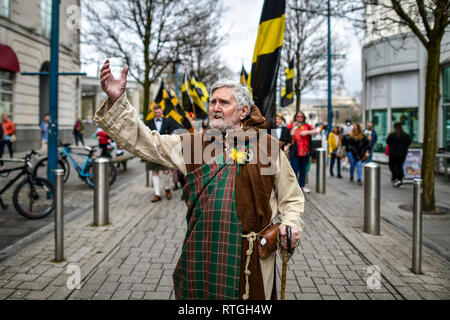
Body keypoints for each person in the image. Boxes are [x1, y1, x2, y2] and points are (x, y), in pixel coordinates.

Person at [94, 60, 304, 300]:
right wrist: (117, 103)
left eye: (224, 102)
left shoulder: (267, 148)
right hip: (202, 253)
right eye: (212, 102)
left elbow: (292, 199)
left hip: (250, 259)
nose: (215, 107)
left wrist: (291, 225)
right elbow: (150, 143)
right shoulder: (195, 144)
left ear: (243, 111)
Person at [145, 104, 183, 202]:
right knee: (154, 172)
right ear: (153, 112)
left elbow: (172, 133)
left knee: (166, 171)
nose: (158, 114)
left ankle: (167, 188)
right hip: (153, 151)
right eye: (156, 112)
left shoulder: (168, 121)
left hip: (165, 150)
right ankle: (157, 194)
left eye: (159, 112)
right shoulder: (148, 122)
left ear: (162, 112)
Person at [287, 111, 319, 193]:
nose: (299, 118)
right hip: (295, 151)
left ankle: (302, 186)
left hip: (305, 151)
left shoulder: (307, 125)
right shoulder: (292, 125)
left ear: (303, 117)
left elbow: (316, 131)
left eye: (301, 116)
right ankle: (293, 188)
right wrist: (294, 127)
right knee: (294, 170)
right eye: (298, 116)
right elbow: (288, 134)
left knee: (303, 170)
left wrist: (307, 132)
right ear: (295, 117)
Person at [386, 122, 411, 188]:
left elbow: (387, 142)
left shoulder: (392, 135)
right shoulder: (406, 135)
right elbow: (409, 142)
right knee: (399, 166)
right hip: (402, 153)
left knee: (392, 165)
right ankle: (399, 179)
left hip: (393, 153)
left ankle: (396, 177)